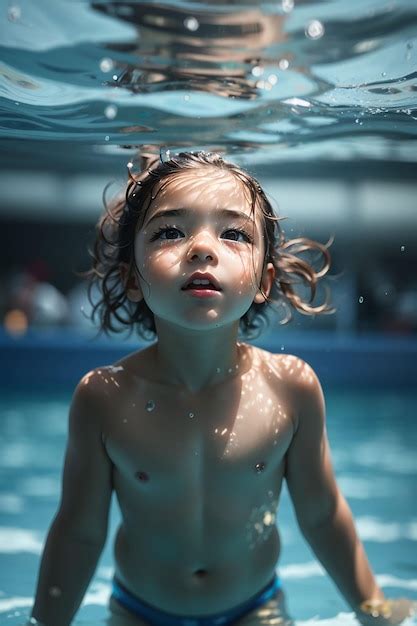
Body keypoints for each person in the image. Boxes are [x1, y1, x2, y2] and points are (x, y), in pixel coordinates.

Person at [29, 151, 414, 626]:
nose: (202, 247)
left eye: (233, 233)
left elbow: (322, 516)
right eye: (170, 231)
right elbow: (79, 534)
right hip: (140, 613)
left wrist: (374, 608)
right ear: (131, 277)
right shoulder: (104, 398)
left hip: (254, 609)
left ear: (263, 281)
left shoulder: (290, 388)